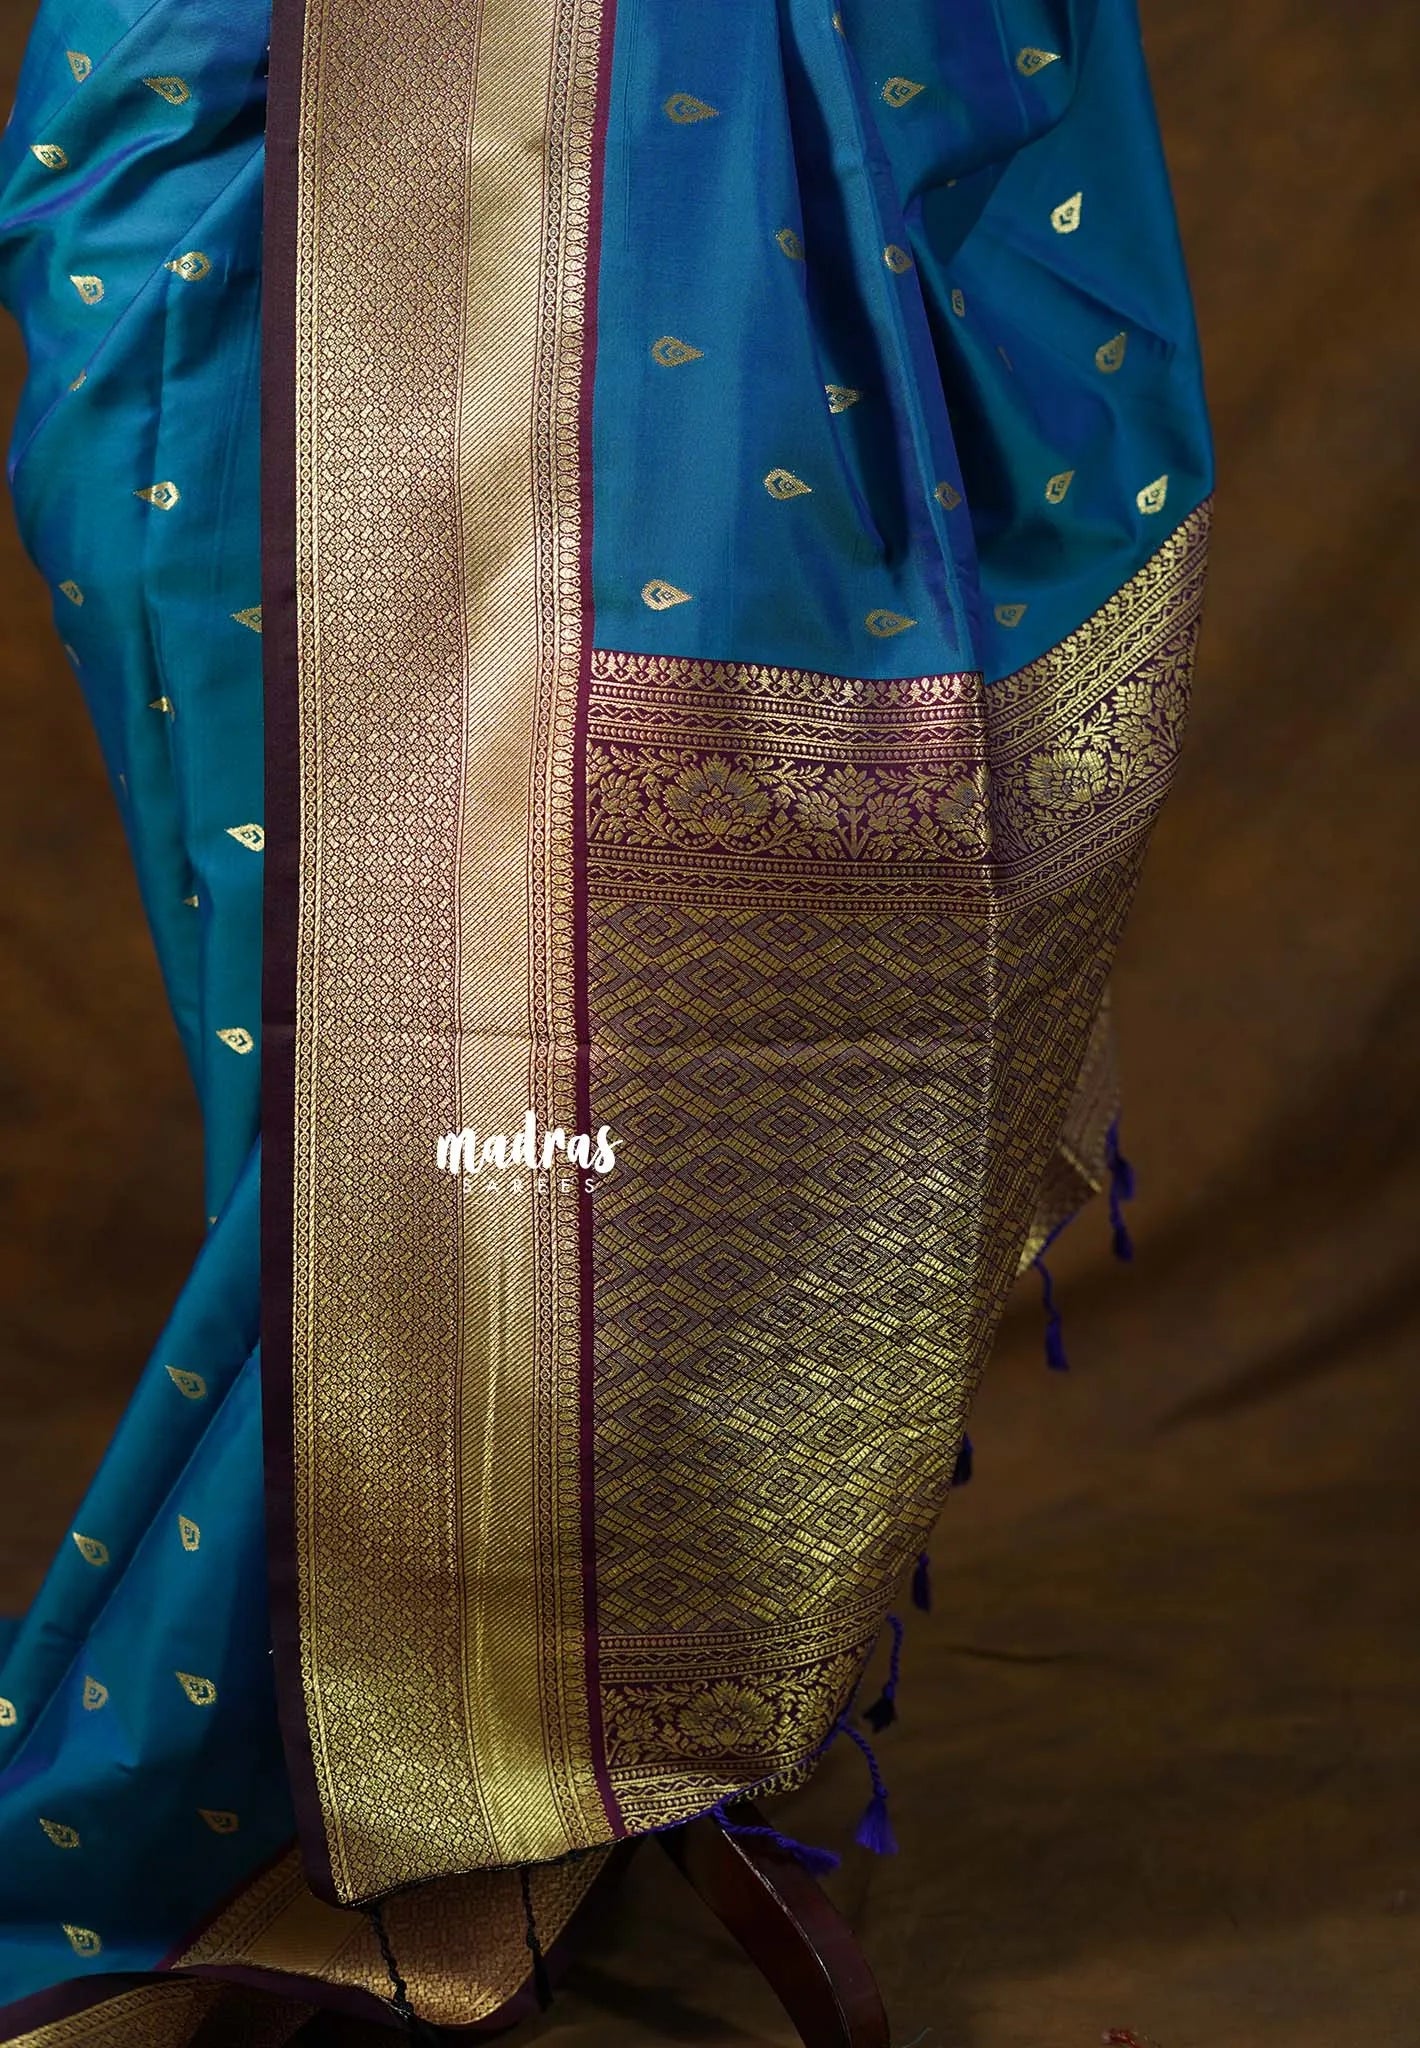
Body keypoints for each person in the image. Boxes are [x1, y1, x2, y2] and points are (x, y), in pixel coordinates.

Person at [0, 0, 1211, 2036]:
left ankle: (513, 1708)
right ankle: (360, 1725)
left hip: (690, 238)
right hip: (232, 221)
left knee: (585, 1017)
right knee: (344, 1063)